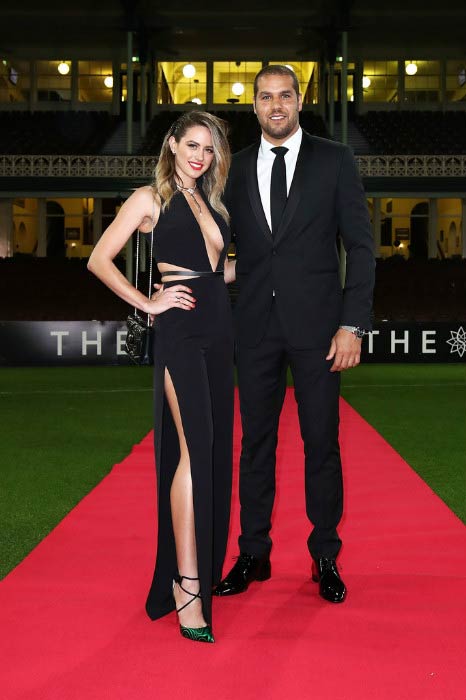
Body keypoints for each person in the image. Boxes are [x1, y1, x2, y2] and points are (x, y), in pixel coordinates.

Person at [214, 65, 375, 604]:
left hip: (321, 332)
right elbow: (221, 250)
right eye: (266, 97)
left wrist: (352, 323)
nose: (276, 105)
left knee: (321, 446)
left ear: (299, 100)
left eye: (285, 95)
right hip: (255, 329)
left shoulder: (335, 159)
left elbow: (359, 248)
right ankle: (253, 554)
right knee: (254, 446)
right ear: (253, 105)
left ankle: (324, 554)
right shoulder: (232, 170)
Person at [88, 111, 234, 643]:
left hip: (219, 329)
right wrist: (149, 302)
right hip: (181, 331)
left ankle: (197, 572)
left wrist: (282, 267)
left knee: (213, 448)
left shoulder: (212, 203)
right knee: (194, 448)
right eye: (192, 144)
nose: (200, 155)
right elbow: (99, 260)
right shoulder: (150, 198)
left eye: (210, 148)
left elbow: (220, 270)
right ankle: (186, 587)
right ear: (172, 145)